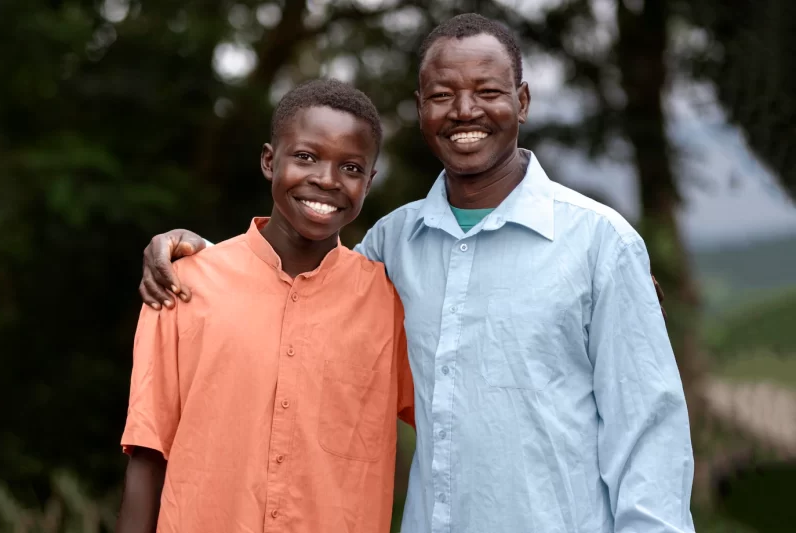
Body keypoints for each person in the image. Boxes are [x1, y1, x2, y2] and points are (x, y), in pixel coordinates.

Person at [139, 14, 694, 533]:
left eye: (489, 92)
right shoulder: (392, 246)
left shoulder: (601, 244)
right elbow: (296, 294)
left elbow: (649, 435)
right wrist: (204, 261)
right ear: (421, 108)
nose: (465, 111)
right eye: (443, 95)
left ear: (522, 102)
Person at [116, 79, 414, 533]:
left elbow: (454, 423)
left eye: (351, 167)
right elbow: (147, 450)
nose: (326, 180)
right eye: (306, 157)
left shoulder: (390, 306)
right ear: (269, 161)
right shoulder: (183, 285)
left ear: (369, 183)